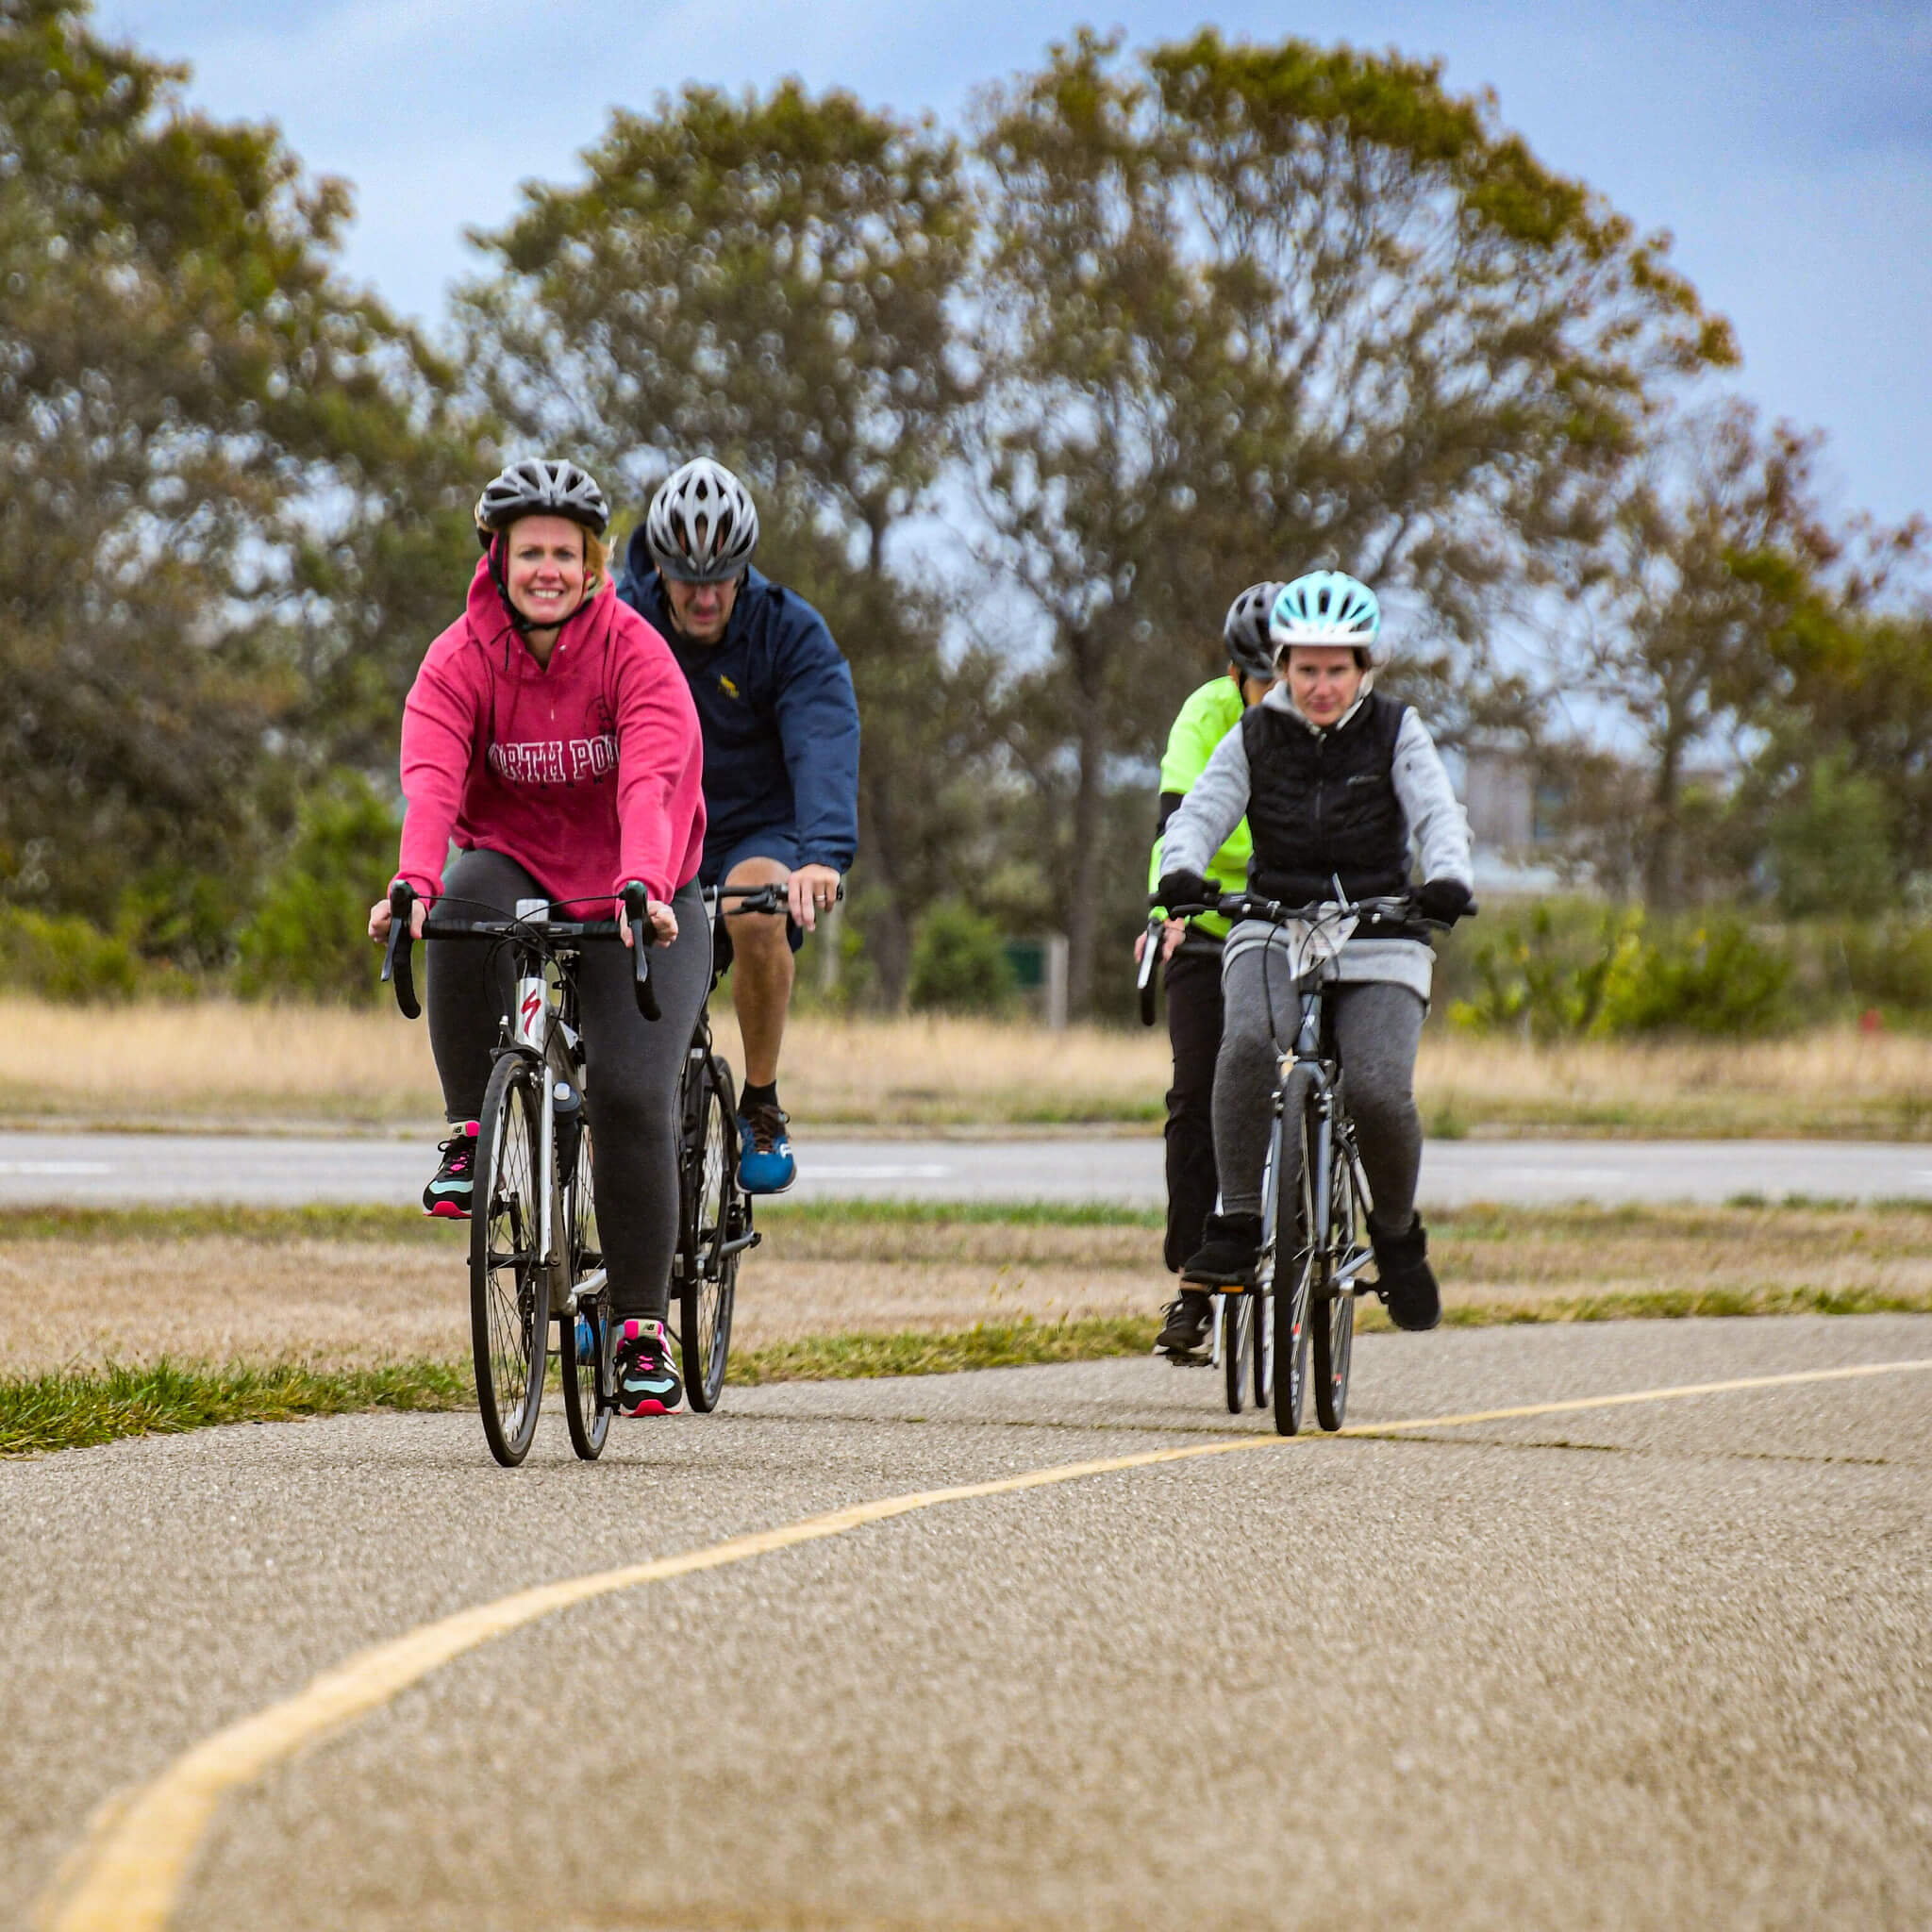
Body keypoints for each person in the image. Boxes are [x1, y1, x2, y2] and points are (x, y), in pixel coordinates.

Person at [367, 458, 709, 1417]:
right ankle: (472, 1131)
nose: (547, 568)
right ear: (499, 557)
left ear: (593, 561)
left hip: (645, 886)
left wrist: (642, 880)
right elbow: (431, 779)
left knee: (633, 1092)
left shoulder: (637, 655)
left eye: (565, 551)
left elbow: (649, 778)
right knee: (462, 900)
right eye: (530, 552)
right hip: (514, 858)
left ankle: (641, 1326)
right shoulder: (459, 656)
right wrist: (413, 880)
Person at [1156, 570, 1474, 1335]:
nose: (1321, 686)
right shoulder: (1254, 733)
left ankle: (1395, 1235)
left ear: (1366, 669)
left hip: (1381, 928)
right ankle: (1235, 1225)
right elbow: (1200, 810)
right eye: (1305, 669)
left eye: (1337, 670)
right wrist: (1179, 871)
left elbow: (1436, 811)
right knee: (1244, 1046)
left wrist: (1448, 878)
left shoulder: (1399, 729)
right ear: (1282, 668)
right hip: (1275, 919)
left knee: (1376, 1089)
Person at [617, 459, 859, 1195]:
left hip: (758, 827)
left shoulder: (788, 632)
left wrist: (821, 855)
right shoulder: (622, 623)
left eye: (720, 577)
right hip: (656, 828)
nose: (703, 595)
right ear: (658, 566)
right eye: (686, 579)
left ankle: (760, 1103)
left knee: (753, 912)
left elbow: (822, 738)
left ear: (742, 568)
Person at [1141, 583, 1279, 1356]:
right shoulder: (1205, 715)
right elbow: (1177, 819)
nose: (1275, 698)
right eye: (1261, 682)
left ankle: (1310, 1194)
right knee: (1197, 1089)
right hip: (1209, 913)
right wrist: (1171, 907)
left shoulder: (1326, 716)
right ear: (1235, 676)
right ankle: (1194, 1282)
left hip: (1300, 918)